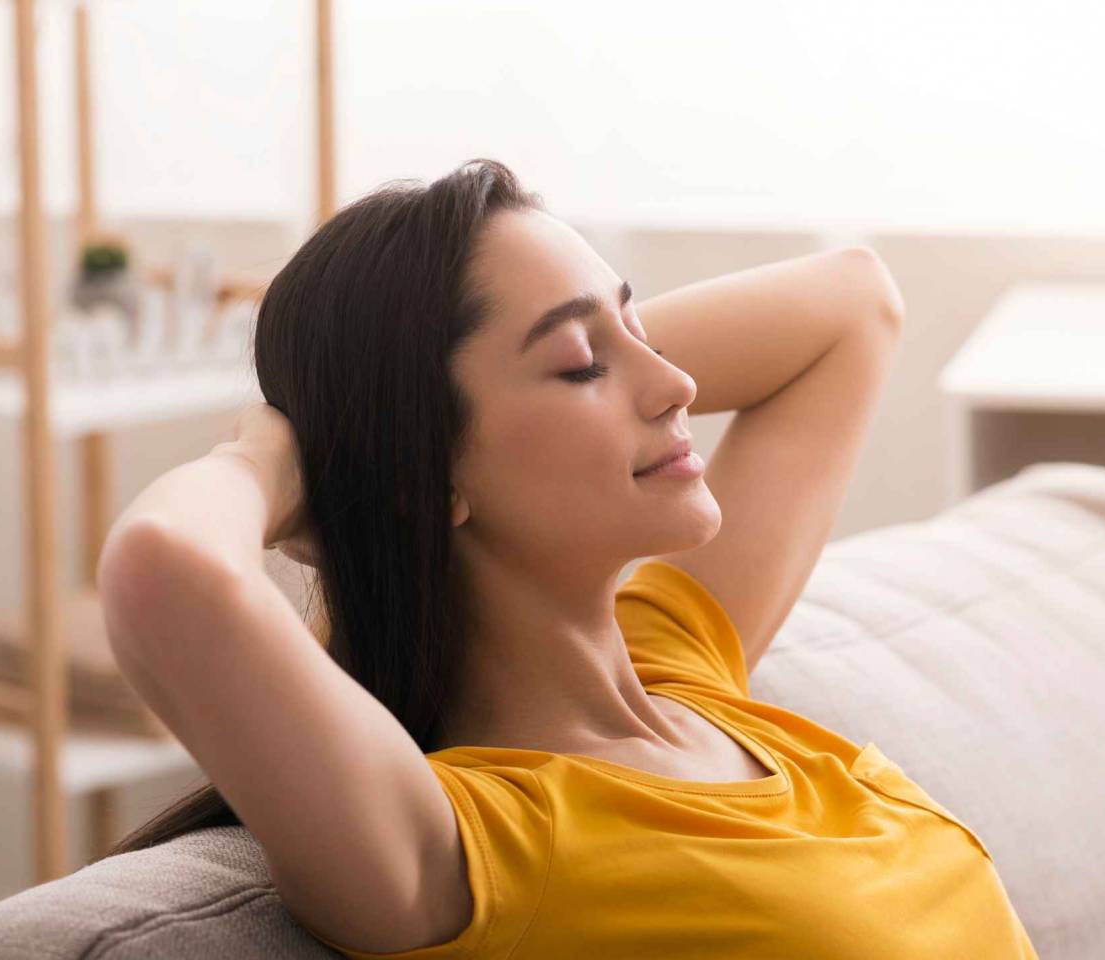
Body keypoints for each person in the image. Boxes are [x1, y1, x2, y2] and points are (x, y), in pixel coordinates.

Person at [95, 158, 1038, 957]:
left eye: (638, 331)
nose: (677, 384)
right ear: (427, 478)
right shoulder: (479, 840)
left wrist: (590, 354)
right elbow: (166, 572)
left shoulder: (683, 669)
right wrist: (288, 456)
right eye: (584, 362)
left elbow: (853, 299)